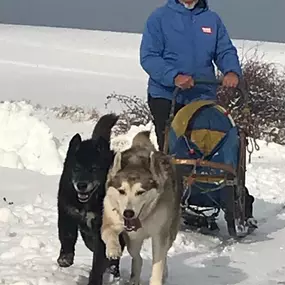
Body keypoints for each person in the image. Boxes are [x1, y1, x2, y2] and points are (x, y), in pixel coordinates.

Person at [140, 0, 242, 152]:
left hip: (202, 97)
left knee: (205, 149)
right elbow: (149, 56)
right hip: (167, 96)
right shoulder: (159, 17)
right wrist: (174, 77)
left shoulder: (211, 19)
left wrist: (231, 71)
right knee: (172, 152)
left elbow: (224, 51)